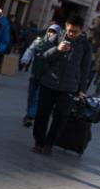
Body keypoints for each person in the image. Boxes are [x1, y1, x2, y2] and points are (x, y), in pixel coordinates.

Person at [32, 15, 91, 155]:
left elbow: (85, 69)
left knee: (61, 117)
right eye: (69, 30)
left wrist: (82, 89)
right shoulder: (56, 38)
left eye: (75, 31)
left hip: (69, 87)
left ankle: (49, 144)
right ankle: (39, 142)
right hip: (49, 82)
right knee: (42, 114)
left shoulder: (85, 45)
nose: (71, 34)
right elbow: (43, 56)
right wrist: (57, 50)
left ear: (81, 30)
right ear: (66, 26)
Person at [20, 24, 61, 127]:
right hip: (35, 73)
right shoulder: (39, 41)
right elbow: (30, 50)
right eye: (50, 31)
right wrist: (25, 60)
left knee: (37, 98)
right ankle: (29, 113)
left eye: (54, 32)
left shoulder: (58, 46)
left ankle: (31, 115)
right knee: (31, 96)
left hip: (46, 76)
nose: (51, 34)